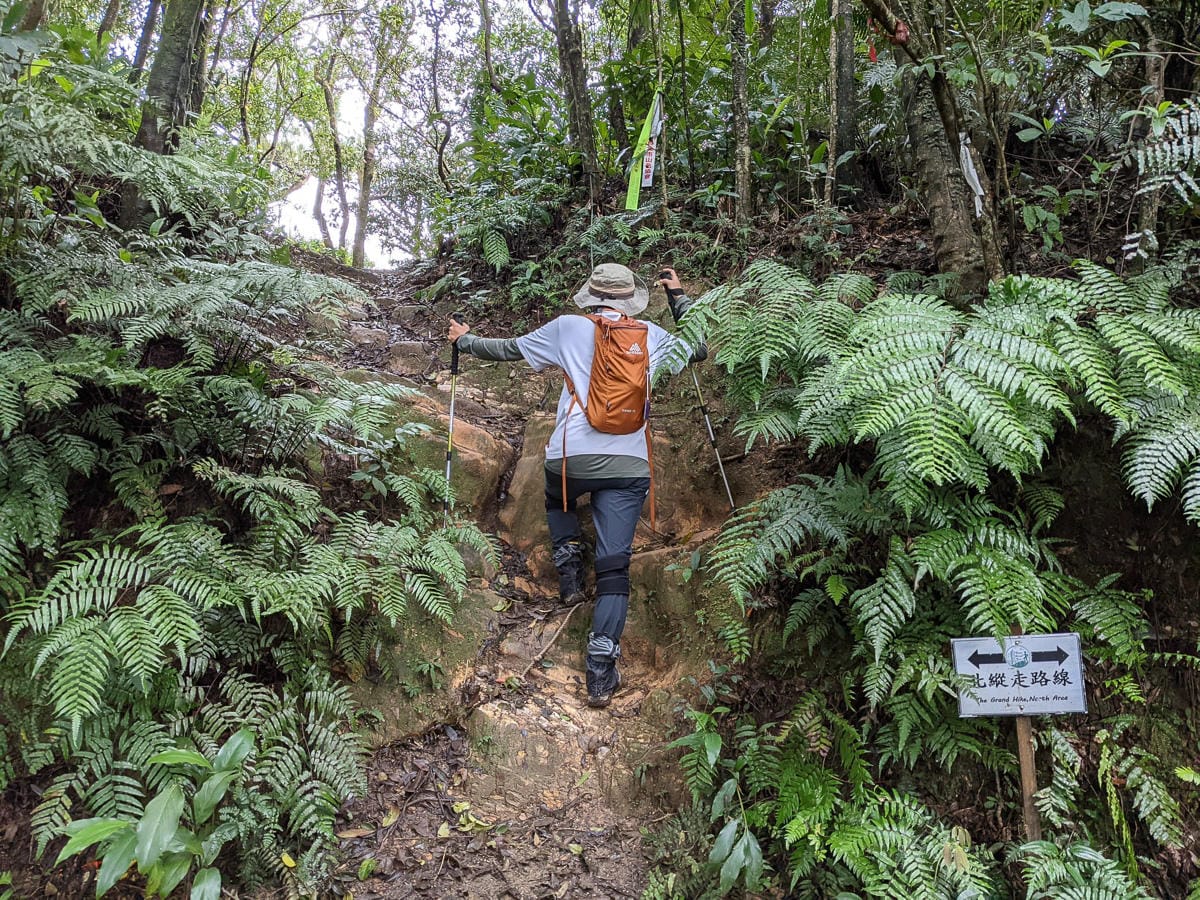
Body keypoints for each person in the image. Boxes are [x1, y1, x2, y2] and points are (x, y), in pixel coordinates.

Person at [447, 263, 706, 707]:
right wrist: (678, 297)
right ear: (630, 299)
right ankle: (601, 670)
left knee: (554, 492)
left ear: (593, 296)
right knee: (614, 568)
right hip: (629, 463)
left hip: (572, 458)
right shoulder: (650, 335)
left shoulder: (568, 327)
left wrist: (464, 340)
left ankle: (568, 571)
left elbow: (506, 350)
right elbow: (698, 348)